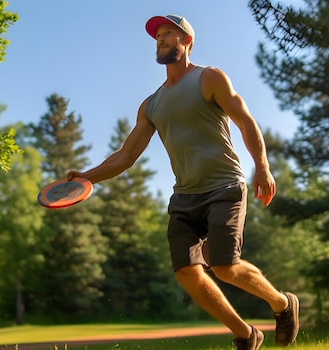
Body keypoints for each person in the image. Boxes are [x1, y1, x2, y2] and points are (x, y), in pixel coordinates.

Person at [67, 14, 299, 350]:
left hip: (225, 186)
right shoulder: (151, 104)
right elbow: (125, 155)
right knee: (187, 272)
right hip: (185, 196)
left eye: (168, 33)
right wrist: (84, 177)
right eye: (157, 35)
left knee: (224, 266)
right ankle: (246, 334)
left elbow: (246, 122)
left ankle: (281, 303)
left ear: (186, 41)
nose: (160, 39)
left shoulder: (210, 78)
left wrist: (262, 166)